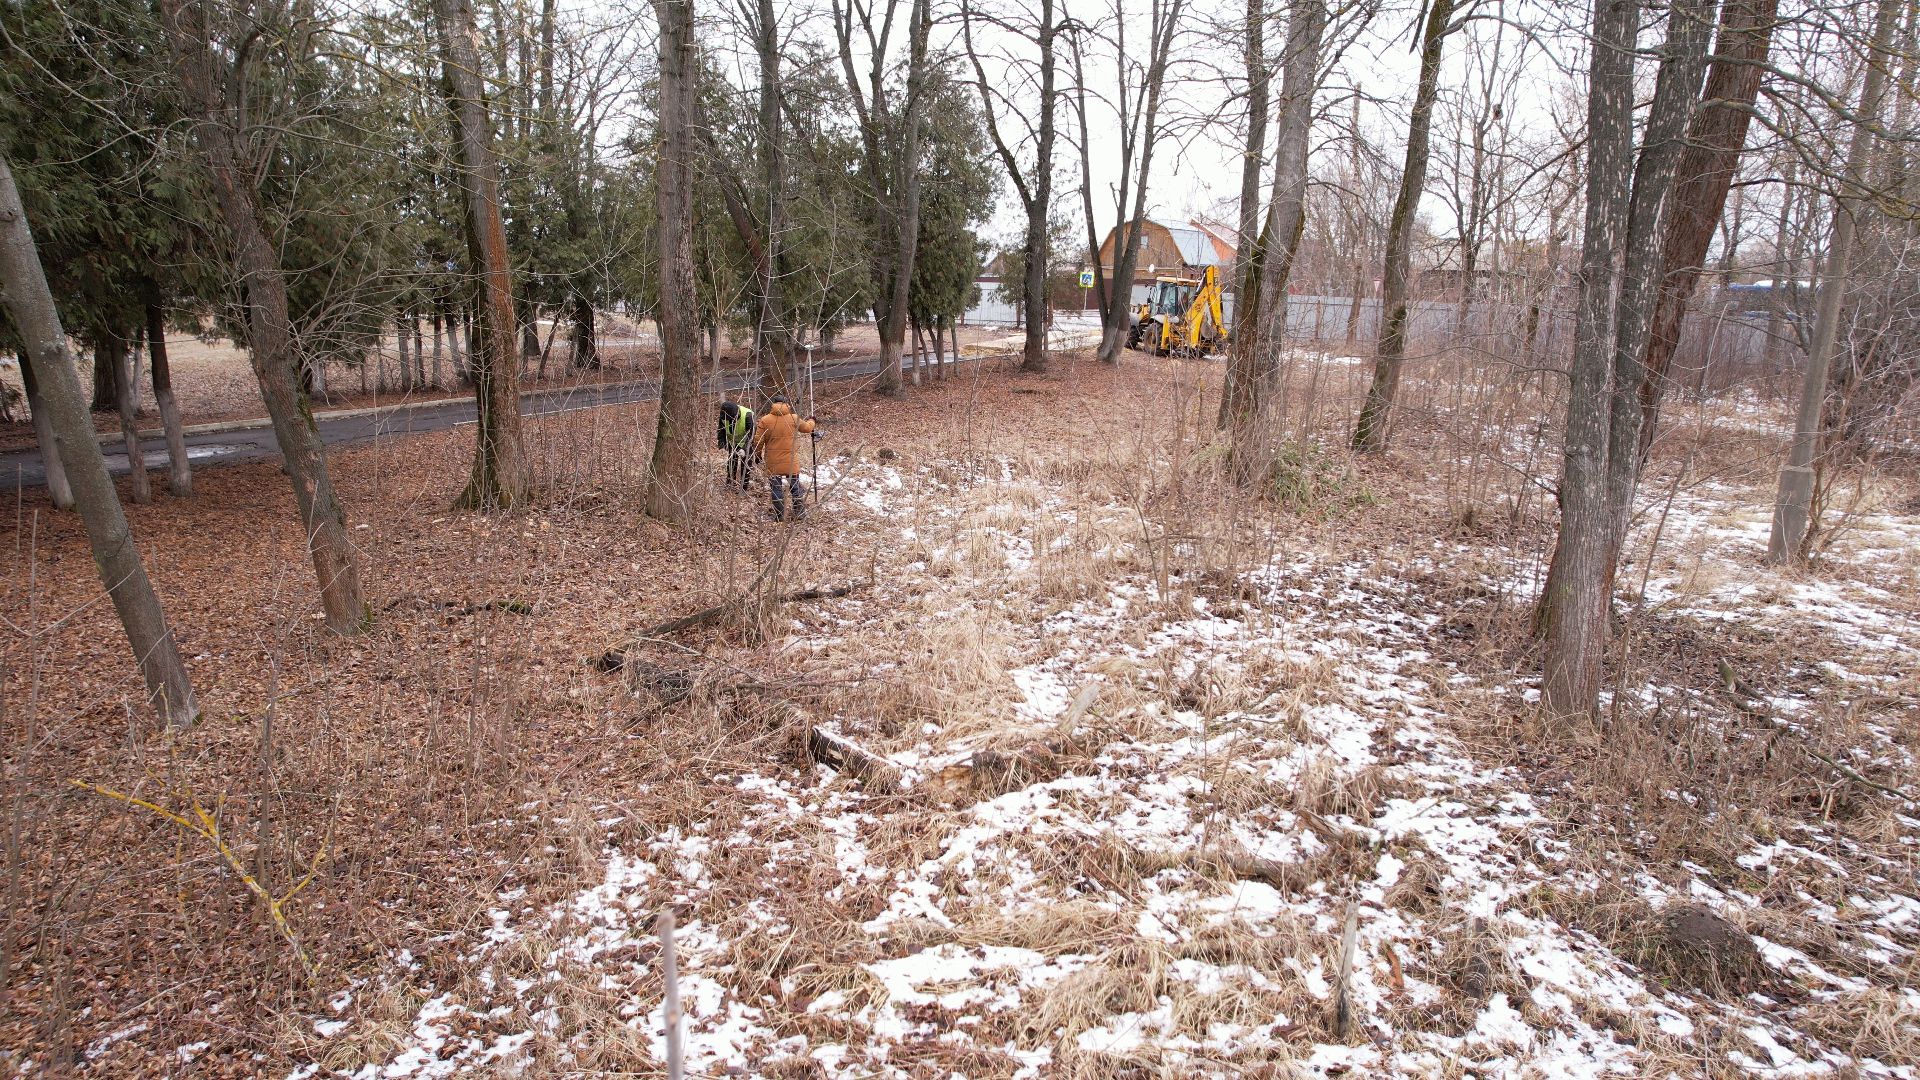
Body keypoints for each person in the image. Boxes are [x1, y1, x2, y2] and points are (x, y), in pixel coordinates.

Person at [752, 394, 816, 520]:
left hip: (773, 461)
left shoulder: (765, 420)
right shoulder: (793, 418)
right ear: (787, 404)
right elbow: (808, 428)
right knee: (795, 486)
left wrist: (757, 456)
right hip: (791, 460)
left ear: (773, 404)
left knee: (776, 488)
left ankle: (780, 515)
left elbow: (758, 441)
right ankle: (800, 513)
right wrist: (812, 420)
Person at [716, 393, 754, 491]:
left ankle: (743, 488)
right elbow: (721, 430)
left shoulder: (747, 415)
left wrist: (745, 448)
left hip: (746, 442)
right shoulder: (724, 416)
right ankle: (729, 483)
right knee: (731, 463)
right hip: (732, 443)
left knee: (745, 465)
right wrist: (722, 443)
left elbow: (752, 435)